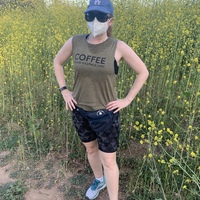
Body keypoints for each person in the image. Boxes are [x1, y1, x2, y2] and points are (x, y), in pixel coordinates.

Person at [54, 0, 149, 199]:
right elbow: (58, 61)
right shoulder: (75, 41)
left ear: (110, 20)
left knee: (109, 161)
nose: (94, 21)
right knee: (90, 149)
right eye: (90, 16)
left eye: (100, 16)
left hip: (105, 114)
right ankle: (99, 180)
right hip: (79, 110)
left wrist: (127, 99)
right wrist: (64, 90)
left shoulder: (118, 47)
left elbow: (143, 72)